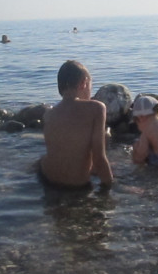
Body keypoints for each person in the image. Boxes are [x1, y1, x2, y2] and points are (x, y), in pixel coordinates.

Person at [39, 60, 114, 189]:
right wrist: (110, 187)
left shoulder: (49, 114)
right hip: (77, 187)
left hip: (48, 182)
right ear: (83, 83)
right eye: (90, 86)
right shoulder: (96, 108)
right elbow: (99, 159)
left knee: (42, 160)